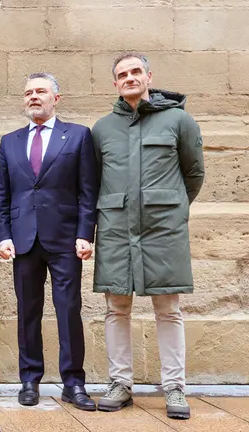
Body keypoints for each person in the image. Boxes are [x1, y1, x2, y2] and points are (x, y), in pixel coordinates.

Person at [92, 53, 204, 420]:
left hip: (162, 229)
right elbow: (95, 180)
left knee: (168, 310)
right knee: (115, 308)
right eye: (122, 74)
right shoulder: (103, 129)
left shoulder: (179, 120)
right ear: (115, 83)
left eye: (135, 71)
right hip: (117, 229)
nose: (129, 77)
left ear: (149, 76)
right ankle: (119, 383)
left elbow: (194, 173)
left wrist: (171, 211)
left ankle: (174, 387)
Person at [0, 73, 98, 410]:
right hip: (23, 242)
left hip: (66, 240)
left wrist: (86, 233)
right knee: (28, 312)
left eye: (40, 91)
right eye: (28, 93)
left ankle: (73, 383)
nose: (34, 97)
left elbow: (87, 191)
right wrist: (4, 235)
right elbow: (2, 195)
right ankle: (29, 380)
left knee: (69, 311)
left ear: (57, 97)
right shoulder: (10, 142)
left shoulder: (79, 136)